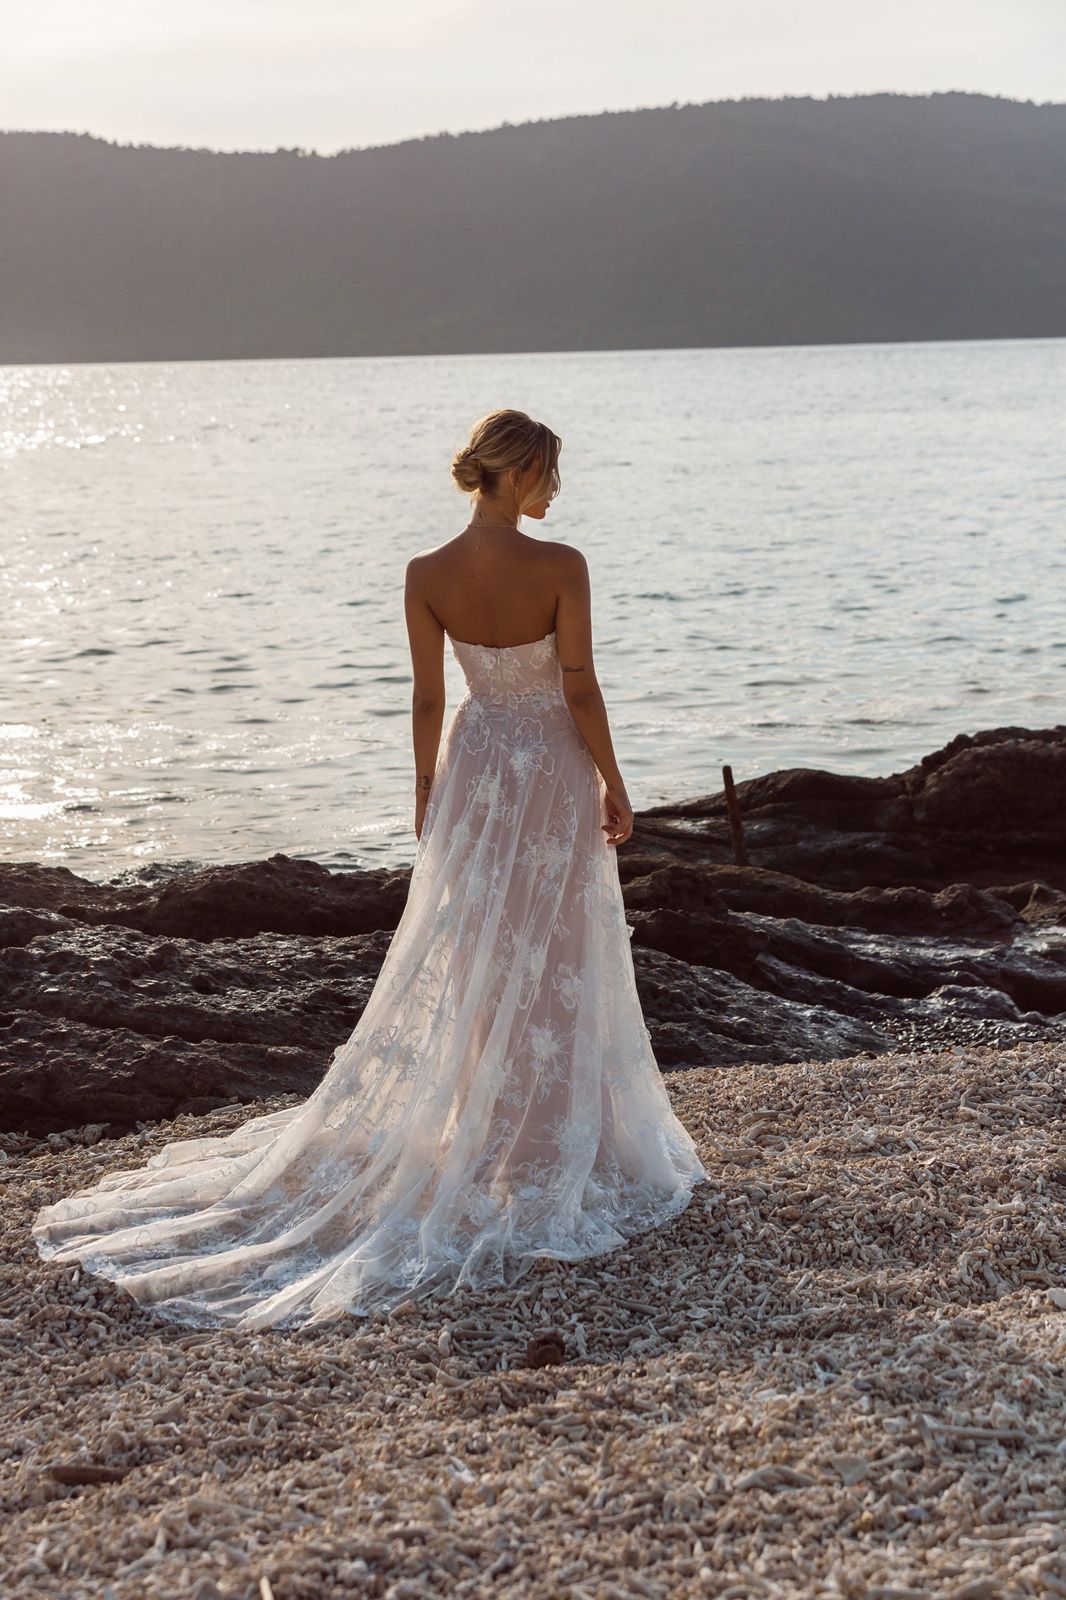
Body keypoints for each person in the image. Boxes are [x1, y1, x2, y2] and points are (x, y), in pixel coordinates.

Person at [31, 408, 706, 1330]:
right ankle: (549, 1140)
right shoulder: (562, 567)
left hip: (475, 762)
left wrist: (426, 789)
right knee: (556, 939)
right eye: (548, 473)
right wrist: (616, 784)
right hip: (548, 762)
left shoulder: (427, 573)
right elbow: (579, 683)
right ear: (513, 476)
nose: (556, 490)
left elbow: (430, 696)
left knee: (480, 943)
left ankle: (500, 1127)